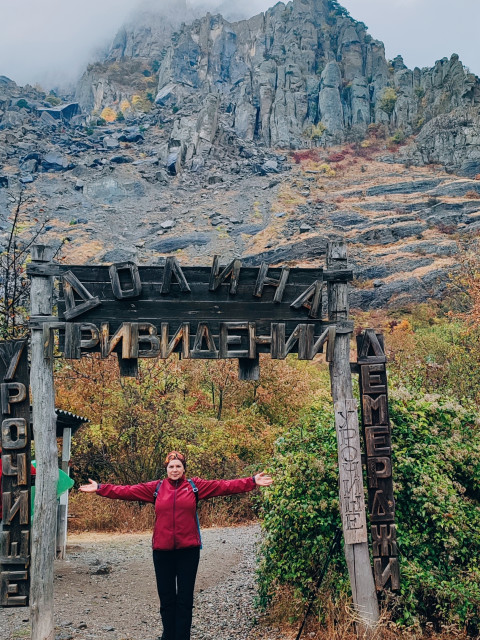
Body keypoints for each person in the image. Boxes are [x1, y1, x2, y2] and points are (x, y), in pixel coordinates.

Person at [79, 450, 273, 640]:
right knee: (167, 599)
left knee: (185, 600)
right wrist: (100, 488)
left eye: (178, 466)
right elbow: (127, 491)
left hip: (188, 551)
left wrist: (251, 481)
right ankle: (168, 635)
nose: (174, 470)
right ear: (166, 469)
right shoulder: (156, 488)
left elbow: (224, 486)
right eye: (171, 466)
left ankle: (182, 637)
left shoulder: (195, 486)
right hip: (162, 552)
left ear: (184, 468)